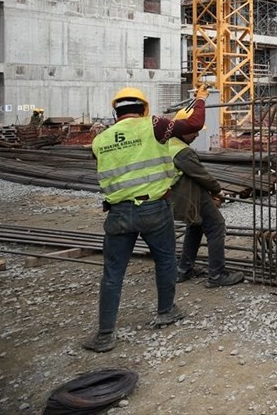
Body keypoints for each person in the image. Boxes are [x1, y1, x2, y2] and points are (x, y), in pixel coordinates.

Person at [83, 85, 209, 353]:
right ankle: (166, 311)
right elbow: (194, 123)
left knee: (113, 273)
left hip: (117, 213)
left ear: (116, 112)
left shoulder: (100, 140)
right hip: (154, 208)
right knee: (164, 260)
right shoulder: (153, 125)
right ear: (143, 109)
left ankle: (105, 335)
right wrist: (200, 98)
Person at [168, 105, 244, 288]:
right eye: (194, 131)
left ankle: (183, 270)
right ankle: (217, 275)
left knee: (195, 227)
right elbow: (201, 175)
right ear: (184, 129)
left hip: (182, 195)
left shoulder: (168, 145)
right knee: (216, 226)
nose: (197, 135)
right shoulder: (182, 151)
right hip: (189, 195)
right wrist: (218, 191)